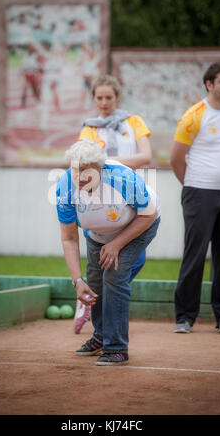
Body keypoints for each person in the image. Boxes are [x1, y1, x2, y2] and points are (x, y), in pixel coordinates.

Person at [56, 140, 161, 366]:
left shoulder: (122, 179)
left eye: (87, 171)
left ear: (100, 168)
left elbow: (149, 215)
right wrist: (77, 281)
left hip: (137, 226)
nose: (80, 177)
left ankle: (117, 348)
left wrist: (116, 245)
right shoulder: (65, 187)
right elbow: (69, 238)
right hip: (97, 234)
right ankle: (101, 336)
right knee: (95, 281)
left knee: (114, 275)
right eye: (76, 169)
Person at [74, 74, 153, 334]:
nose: (104, 102)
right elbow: (86, 164)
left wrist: (110, 163)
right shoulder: (89, 128)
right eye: (100, 98)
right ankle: (97, 309)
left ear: (117, 97)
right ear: (94, 98)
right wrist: (105, 166)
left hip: (131, 198)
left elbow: (146, 156)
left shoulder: (133, 122)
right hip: (98, 201)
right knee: (101, 264)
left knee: (135, 259)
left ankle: (103, 300)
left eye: (109, 97)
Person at [170, 62, 220, 334]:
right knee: (195, 256)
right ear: (209, 84)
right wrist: (192, 186)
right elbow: (176, 159)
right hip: (199, 193)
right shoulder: (194, 115)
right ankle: (184, 317)